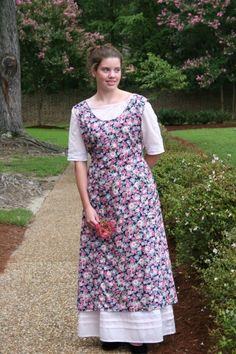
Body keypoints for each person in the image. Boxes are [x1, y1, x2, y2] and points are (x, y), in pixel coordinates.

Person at [67, 44, 177, 354]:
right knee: (104, 262)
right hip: (100, 198)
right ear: (94, 71)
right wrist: (87, 205)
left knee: (138, 261)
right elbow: (78, 160)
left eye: (116, 69)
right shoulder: (80, 111)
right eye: (106, 69)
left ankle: (139, 335)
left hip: (138, 199)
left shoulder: (140, 105)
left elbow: (154, 150)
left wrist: (132, 175)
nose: (112, 75)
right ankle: (110, 331)